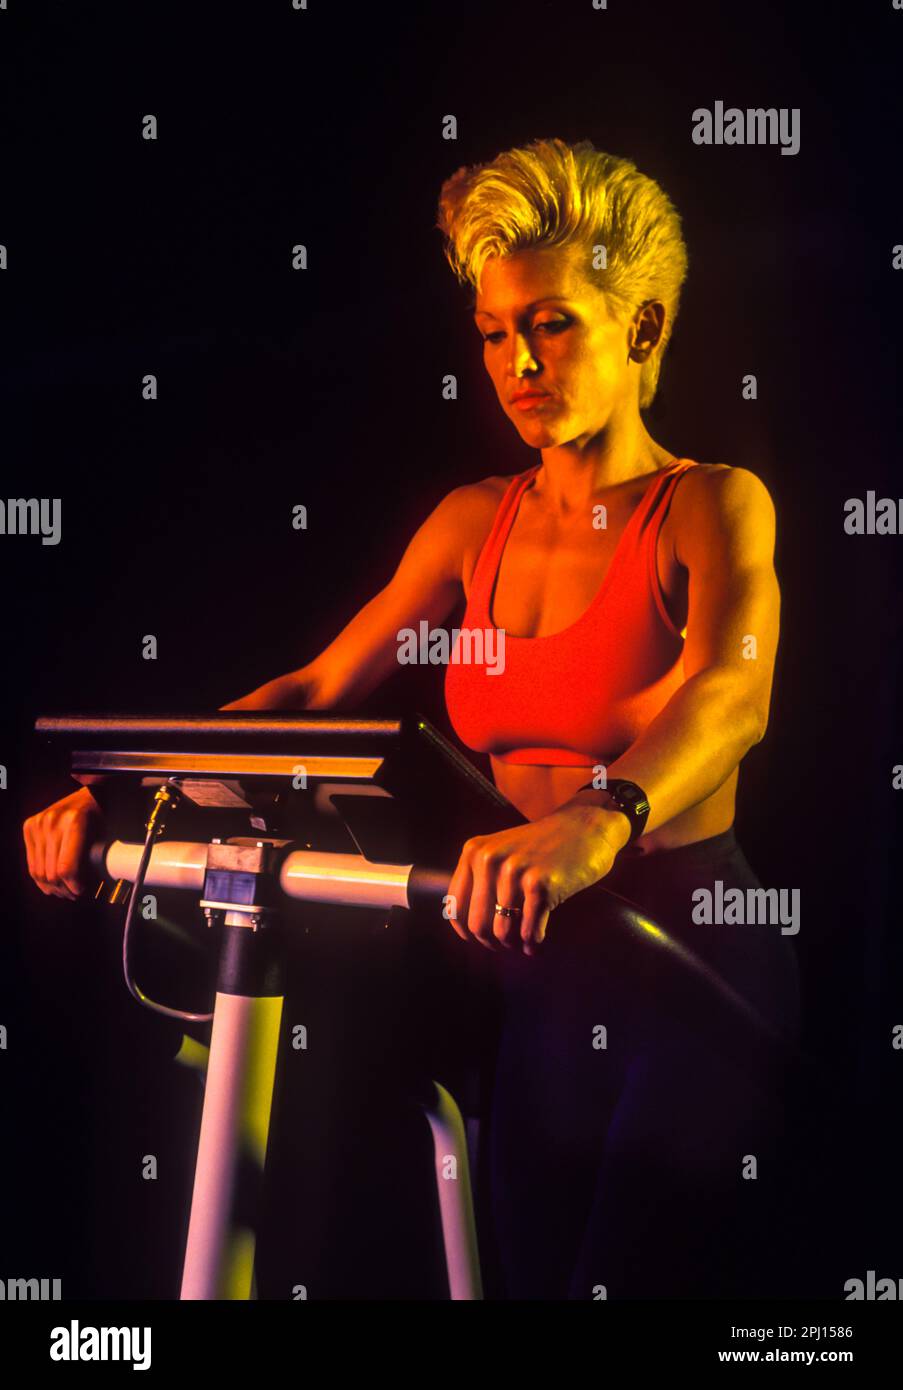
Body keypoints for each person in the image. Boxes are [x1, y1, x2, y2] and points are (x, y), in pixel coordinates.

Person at [24, 137, 800, 1299]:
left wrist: (598, 818)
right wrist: (128, 783)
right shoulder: (470, 521)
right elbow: (312, 691)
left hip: (687, 955)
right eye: (494, 333)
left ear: (641, 331)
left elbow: (733, 696)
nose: (516, 361)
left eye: (553, 323)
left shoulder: (709, 505)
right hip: (534, 970)